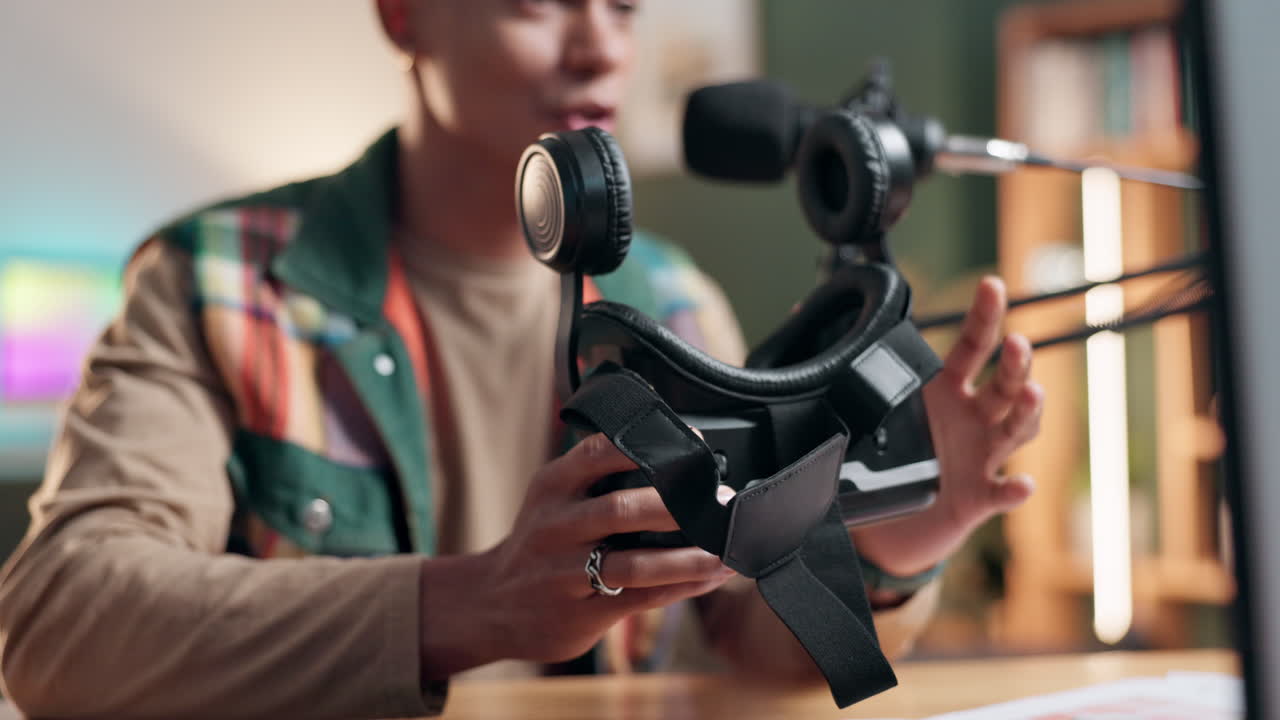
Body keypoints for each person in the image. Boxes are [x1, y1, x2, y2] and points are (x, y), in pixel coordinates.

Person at [0, 1, 1043, 718]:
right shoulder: (211, 281)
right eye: (539, 1)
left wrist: (897, 540)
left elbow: (754, 642)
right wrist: (473, 603)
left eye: (625, 7)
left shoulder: (676, 303)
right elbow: (61, 622)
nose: (599, 50)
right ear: (403, 16)